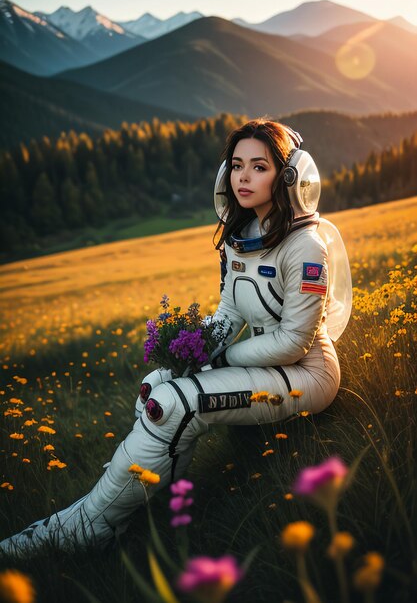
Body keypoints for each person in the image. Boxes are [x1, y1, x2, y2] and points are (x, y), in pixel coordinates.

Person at [0, 118, 352, 557]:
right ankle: (152, 505)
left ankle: (90, 526)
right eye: (237, 165)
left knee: (175, 405)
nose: (243, 176)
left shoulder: (306, 247)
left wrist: (216, 363)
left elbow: (293, 343)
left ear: (288, 176)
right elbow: (227, 314)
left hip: (307, 374)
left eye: (259, 167)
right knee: (156, 388)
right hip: (263, 366)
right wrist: (188, 353)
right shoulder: (241, 238)